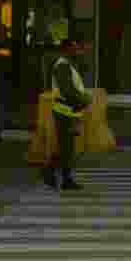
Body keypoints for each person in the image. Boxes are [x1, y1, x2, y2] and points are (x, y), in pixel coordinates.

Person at [47, 39, 92, 191]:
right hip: (64, 111)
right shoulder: (63, 66)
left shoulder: (69, 65)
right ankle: (51, 172)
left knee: (67, 148)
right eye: (74, 49)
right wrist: (83, 100)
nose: (77, 52)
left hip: (69, 111)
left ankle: (65, 179)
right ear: (66, 50)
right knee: (65, 147)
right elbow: (68, 91)